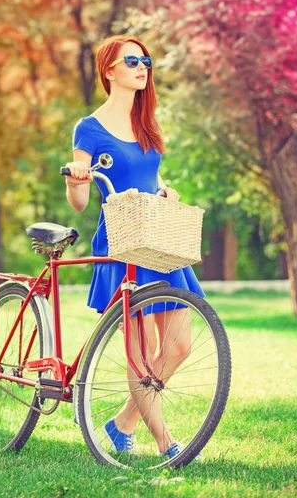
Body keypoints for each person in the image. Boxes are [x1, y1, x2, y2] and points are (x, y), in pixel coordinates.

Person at [65, 34, 205, 459]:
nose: (142, 66)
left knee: (180, 346)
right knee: (141, 355)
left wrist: (168, 192)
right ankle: (167, 444)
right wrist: (75, 178)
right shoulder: (88, 128)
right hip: (123, 243)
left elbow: (151, 179)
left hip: (159, 239)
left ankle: (123, 421)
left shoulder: (147, 123)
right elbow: (81, 202)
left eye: (145, 60)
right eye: (132, 60)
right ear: (110, 70)